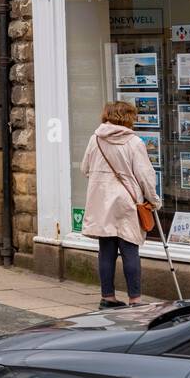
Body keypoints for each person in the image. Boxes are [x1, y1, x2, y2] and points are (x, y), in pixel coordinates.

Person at [80, 100, 158, 309]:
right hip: (127, 201)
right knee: (129, 249)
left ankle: (108, 298)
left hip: (101, 200)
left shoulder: (95, 140)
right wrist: (153, 200)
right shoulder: (134, 143)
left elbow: (84, 168)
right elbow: (145, 176)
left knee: (106, 249)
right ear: (129, 117)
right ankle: (135, 300)